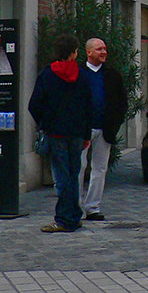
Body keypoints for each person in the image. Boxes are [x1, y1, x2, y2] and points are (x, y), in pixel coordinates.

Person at [28, 34, 93, 233]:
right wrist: (86, 134)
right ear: (74, 53)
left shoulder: (47, 75)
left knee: (61, 176)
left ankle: (65, 219)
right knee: (73, 175)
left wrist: (45, 124)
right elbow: (89, 107)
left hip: (56, 133)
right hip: (76, 133)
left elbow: (34, 105)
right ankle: (73, 215)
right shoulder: (82, 76)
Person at [77, 37, 128, 222]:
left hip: (105, 129)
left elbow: (122, 100)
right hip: (82, 129)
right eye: (99, 49)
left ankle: (93, 207)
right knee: (79, 167)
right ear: (89, 52)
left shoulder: (112, 74)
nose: (104, 52)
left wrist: (115, 123)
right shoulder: (79, 73)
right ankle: (76, 207)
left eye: (105, 48)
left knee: (100, 168)